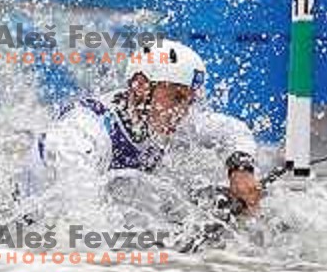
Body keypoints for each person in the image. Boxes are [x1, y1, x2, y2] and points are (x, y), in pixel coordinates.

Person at [16, 39, 262, 225]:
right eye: (177, 97)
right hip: (33, 229)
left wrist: (241, 170)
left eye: (190, 101)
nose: (184, 112)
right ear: (141, 86)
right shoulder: (84, 134)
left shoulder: (165, 116)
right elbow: (80, 224)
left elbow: (233, 130)